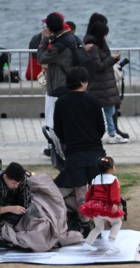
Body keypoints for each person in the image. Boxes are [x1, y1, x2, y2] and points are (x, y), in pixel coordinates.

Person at [53, 67, 106, 226]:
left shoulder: (61, 103)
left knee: (80, 189)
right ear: (83, 82)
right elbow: (101, 128)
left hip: (74, 152)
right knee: (96, 187)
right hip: (94, 150)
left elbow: (58, 128)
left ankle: (84, 222)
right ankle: (98, 221)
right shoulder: (93, 101)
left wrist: (68, 141)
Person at [37, 12, 80, 133]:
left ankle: (54, 147)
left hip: (58, 87)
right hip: (71, 83)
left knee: (53, 120)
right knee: (68, 119)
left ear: (49, 28)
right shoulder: (72, 38)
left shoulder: (58, 46)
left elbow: (41, 58)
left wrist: (44, 40)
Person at [84, 21, 124, 144]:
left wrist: (112, 59)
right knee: (107, 111)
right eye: (105, 35)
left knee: (109, 110)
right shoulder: (94, 48)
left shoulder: (97, 45)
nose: (106, 37)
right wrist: (111, 59)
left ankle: (111, 133)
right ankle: (110, 134)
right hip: (100, 85)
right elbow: (98, 66)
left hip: (104, 84)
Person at [79, 156, 124, 250]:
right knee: (117, 222)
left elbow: (89, 193)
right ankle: (111, 241)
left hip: (94, 206)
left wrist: (88, 204)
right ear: (111, 168)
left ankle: (87, 244)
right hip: (105, 206)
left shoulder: (95, 179)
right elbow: (114, 192)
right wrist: (115, 203)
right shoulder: (113, 179)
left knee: (98, 227)